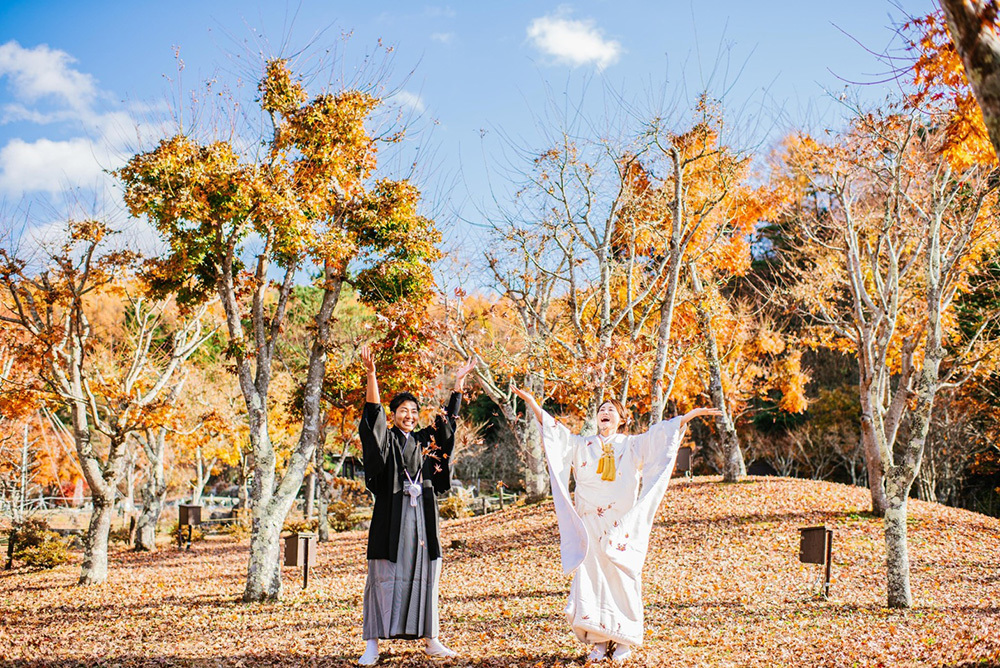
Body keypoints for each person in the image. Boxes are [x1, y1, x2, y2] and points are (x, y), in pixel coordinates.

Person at [512, 386, 720, 663]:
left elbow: (660, 437)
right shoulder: (581, 445)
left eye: (611, 410)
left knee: (622, 576)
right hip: (589, 524)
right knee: (591, 578)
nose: (605, 413)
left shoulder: (632, 444)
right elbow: (554, 432)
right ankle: (597, 640)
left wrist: (688, 417)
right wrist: (533, 403)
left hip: (620, 525)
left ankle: (623, 639)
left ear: (622, 419)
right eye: (601, 410)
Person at [357, 345, 476, 666]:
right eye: (402, 411)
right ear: (394, 415)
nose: (408, 416)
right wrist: (371, 375)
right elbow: (373, 419)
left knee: (425, 573)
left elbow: (448, 422)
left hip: (423, 517)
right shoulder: (388, 438)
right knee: (382, 575)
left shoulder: (425, 440)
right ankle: (372, 643)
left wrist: (458, 385)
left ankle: (432, 639)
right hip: (391, 516)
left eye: (412, 411)